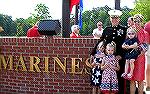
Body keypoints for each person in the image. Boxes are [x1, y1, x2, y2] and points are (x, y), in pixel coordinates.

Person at [100, 9, 127, 94]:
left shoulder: (124, 29)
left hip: (120, 58)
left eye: (116, 18)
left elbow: (126, 44)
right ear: (110, 19)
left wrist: (121, 55)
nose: (114, 19)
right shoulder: (106, 29)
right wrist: (93, 53)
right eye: (112, 18)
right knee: (107, 79)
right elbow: (101, 42)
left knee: (120, 78)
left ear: (119, 19)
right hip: (108, 58)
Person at [130, 14, 149, 94]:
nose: (136, 23)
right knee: (132, 80)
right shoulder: (130, 31)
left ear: (142, 22)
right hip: (131, 60)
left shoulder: (145, 34)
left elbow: (145, 48)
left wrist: (137, 54)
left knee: (140, 80)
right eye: (135, 21)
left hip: (140, 59)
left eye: (138, 21)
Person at [144, 21, 150, 91]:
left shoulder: (147, 24)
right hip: (149, 47)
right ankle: (148, 85)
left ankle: (148, 85)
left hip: (148, 47)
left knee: (148, 67)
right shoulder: (147, 25)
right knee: (148, 67)